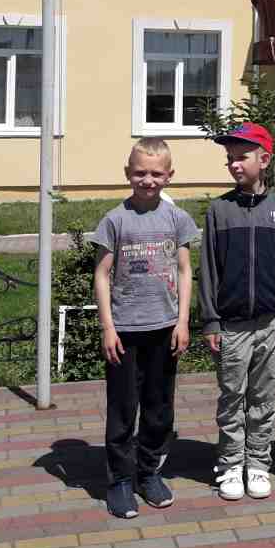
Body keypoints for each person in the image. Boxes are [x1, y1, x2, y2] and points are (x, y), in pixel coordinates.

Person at [92, 137, 196, 519]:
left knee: (159, 408)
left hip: (165, 330)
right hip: (125, 332)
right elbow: (102, 275)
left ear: (169, 176)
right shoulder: (114, 220)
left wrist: (183, 321)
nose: (147, 180)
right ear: (127, 174)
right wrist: (108, 327)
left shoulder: (177, 219)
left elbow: (184, 270)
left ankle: (149, 471)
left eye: (155, 173)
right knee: (123, 409)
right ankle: (120, 480)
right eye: (140, 173)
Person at [200, 123, 275, 502]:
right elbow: (209, 268)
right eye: (230, 159)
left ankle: (258, 462)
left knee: (262, 397)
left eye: (242, 157)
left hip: (269, 323)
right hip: (232, 325)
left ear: (265, 159)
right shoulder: (219, 211)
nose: (234, 165)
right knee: (231, 396)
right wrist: (211, 319)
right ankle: (229, 464)